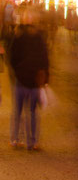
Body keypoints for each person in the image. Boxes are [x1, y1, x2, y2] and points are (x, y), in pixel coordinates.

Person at [8, 8, 49, 151]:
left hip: (30, 81)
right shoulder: (21, 35)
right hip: (24, 80)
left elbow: (44, 59)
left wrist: (45, 78)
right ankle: (21, 140)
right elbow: (12, 57)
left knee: (28, 112)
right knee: (23, 111)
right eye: (28, 16)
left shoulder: (34, 36)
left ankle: (28, 141)